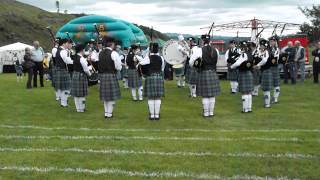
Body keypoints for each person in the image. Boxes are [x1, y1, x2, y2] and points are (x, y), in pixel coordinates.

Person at [190, 35, 220, 117]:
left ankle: (206, 113)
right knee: (212, 95)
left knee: (205, 95)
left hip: (204, 72)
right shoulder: (216, 50)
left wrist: (196, 65)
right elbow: (216, 61)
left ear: (203, 41)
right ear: (209, 41)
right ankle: (211, 112)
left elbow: (191, 62)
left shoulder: (200, 50)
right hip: (213, 72)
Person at [137, 43, 165, 120]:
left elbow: (141, 64)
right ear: (158, 49)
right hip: (159, 77)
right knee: (157, 97)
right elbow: (162, 68)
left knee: (150, 98)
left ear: (150, 49)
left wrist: (144, 73)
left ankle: (152, 115)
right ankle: (157, 115)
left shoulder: (147, 57)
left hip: (150, 77)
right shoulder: (161, 58)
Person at [98, 37, 122, 119]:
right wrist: (119, 69)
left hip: (102, 76)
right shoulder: (114, 53)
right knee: (111, 96)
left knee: (105, 96)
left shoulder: (100, 53)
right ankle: (109, 113)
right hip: (111, 75)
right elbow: (118, 67)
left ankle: (106, 113)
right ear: (112, 44)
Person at [231, 41, 253, 113]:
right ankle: (249, 108)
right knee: (249, 92)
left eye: (241, 47)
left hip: (243, 73)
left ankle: (245, 109)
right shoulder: (250, 53)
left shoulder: (244, 54)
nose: (240, 48)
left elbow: (238, 63)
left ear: (243, 47)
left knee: (244, 92)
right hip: (249, 73)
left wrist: (231, 66)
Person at [71, 44, 91, 113]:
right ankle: (82, 109)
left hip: (75, 74)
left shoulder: (75, 57)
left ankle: (78, 109)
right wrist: (90, 73)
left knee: (76, 94)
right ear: (81, 50)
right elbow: (85, 69)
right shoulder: (81, 58)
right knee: (81, 94)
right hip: (81, 76)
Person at [55, 39, 73, 107]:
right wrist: (75, 61)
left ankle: (63, 103)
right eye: (66, 43)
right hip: (62, 70)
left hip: (59, 69)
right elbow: (67, 60)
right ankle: (64, 103)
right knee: (67, 87)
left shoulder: (59, 50)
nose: (67, 44)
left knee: (63, 88)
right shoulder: (63, 51)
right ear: (63, 44)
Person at [254, 39, 272, 108]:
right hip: (263, 71)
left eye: (262, 46)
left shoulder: (266, 52)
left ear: (265, 46)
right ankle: (266, 103)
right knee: (264, 88)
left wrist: (258, 65)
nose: (261, 47)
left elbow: (264, 60)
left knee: (266, 88)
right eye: (260, 45)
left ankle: (267, 104)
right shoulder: (260, 52)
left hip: (266, 71)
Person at [268, 36, 280, 103]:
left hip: (275, 67)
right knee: (269, 83)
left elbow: (276, 58)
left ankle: (275, 98)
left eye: (272, 41)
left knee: (276, 83)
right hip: (269, 67)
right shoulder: (268, 49)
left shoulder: (277, 49)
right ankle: (269, 97)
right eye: (270, 41)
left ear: (275, 42)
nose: (271, 42)